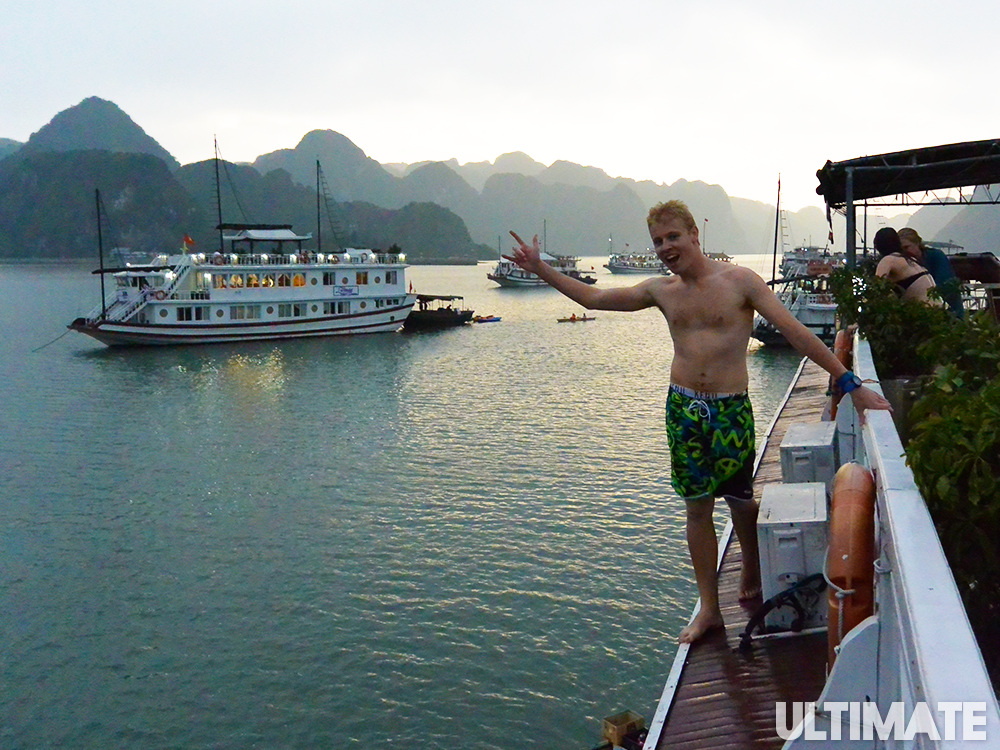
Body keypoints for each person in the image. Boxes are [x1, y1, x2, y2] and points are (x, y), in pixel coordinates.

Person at [506, 200, 891, 644]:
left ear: (694, 234)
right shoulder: (661, 292)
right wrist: (540, 269)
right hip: (683, 409)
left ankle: (750, 560)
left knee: (741, 498)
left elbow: (796, 332)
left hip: (729, 409)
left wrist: (849, 383)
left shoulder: (740, 282)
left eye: (673, 237)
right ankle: (709, 607)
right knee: (697, 505)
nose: (666, 247)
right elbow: (593, 297)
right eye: (658, 242)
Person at [898, 228, 964, 318]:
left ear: (917, 243)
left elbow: (945, 284)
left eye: (907, 247)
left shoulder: (936, 256)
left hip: (949, 314)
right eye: (901, 250)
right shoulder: (906, 263)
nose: (905, 252)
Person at [872, 227, 942, 307]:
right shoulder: (911, 259)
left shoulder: (888, 260)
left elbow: (876, 289)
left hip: (927, 314)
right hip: (942, 311)